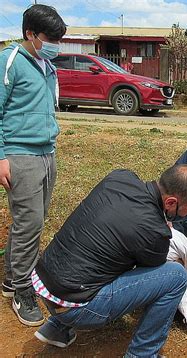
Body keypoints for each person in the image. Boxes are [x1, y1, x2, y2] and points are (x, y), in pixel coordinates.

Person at [32, 165, 187, 357]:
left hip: (45, 283)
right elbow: (148, 272)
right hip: (76, 309)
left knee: (105, 250)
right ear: (171, 203)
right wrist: (162, 229)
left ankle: (56, 328)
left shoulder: (120, 176)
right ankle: (142, 354)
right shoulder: (154, 232)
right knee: (176, 276)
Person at [0, 4, 66, 326]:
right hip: (20, 154)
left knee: (31, 222)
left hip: (46, 153)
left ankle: (11, 279)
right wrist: (1, 156)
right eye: (50, 37)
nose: (56, 43)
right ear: (30, 34)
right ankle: (23, 290)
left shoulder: (46, 65)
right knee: (29, 224)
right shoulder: (9, 60)